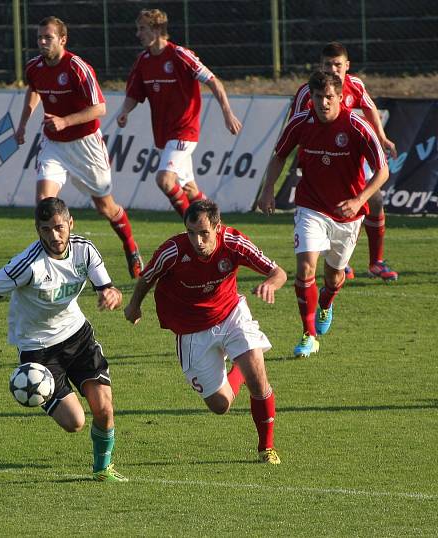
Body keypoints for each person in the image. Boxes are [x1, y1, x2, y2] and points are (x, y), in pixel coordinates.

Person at [0, 197, 128, 481]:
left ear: (70, 224)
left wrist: (112, 295)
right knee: (75, 423)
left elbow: (111, 290)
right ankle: (27, 380)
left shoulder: (84, 251)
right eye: (46, 229)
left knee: (104, 408)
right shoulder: (28, 265)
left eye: (59, 227)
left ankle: (102, 469)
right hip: (39, 352)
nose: (54, 236)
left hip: (78, 337)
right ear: (38, 230)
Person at [124, 199, 285, 464]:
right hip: (191, 331)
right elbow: (148, 277)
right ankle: (241, 370)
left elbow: (277, 272)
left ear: (218, 227)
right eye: (191, 233)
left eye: (203, 233)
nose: (197, 241)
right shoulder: (173, 251)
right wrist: (134, 306)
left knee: (259, 379)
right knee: (220, 405)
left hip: (231, 314)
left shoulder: (233, 243)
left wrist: (271, 283)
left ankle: (266, 448)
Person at [258, 71, 389, 357]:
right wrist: (268, 189)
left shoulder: (357, 125)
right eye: (319, 97)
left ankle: (326, 304)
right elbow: (279, 155)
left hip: (347, 214)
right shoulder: (301, 122)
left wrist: (359, 200)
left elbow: (382, 171)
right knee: (306, 267)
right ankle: (308, 334)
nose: (324, 103)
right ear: (312, 98)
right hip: (311, 207)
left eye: (330, 97)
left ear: (341, 98)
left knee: (333, 276)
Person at [15, 16, 143, 279]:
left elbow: (100, 108)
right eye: (39, 37)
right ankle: (55, 263)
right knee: (43, 202)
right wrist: (23, 124)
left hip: (86, 146)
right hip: (53, 145)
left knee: (105, 208)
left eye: (47, 37)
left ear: (62, 39)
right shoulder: (34, 67)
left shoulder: (77, 67)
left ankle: (130, 247)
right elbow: (34, 89)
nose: (41, 42)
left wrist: (65, 120)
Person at [117, 9, 242, 219]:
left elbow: (213, 81)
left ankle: (193, 226)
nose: (138, 34)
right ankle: (217, 225)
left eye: (142, 29)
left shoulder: (179, 55)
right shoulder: (143, 61)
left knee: (164, 180)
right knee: (190, 191)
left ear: (157, 29)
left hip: (184, 130)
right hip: (164, 135)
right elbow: (134, 93)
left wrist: (227, 113)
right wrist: (125, 111)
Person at [290, 42, 397, 282]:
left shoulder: (355, 85)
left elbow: (370, 109)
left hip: (349, 157)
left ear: (346, 66)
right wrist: (301, 156)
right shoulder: (308, 92)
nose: (333, 69)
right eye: (328, 64)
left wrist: (382, 138)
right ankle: (339, 263)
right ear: (321, 65)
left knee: (375, 199)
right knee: (327, 208)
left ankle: (375, 262)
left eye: (337, 64)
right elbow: (295, 126)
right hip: (320, 162)